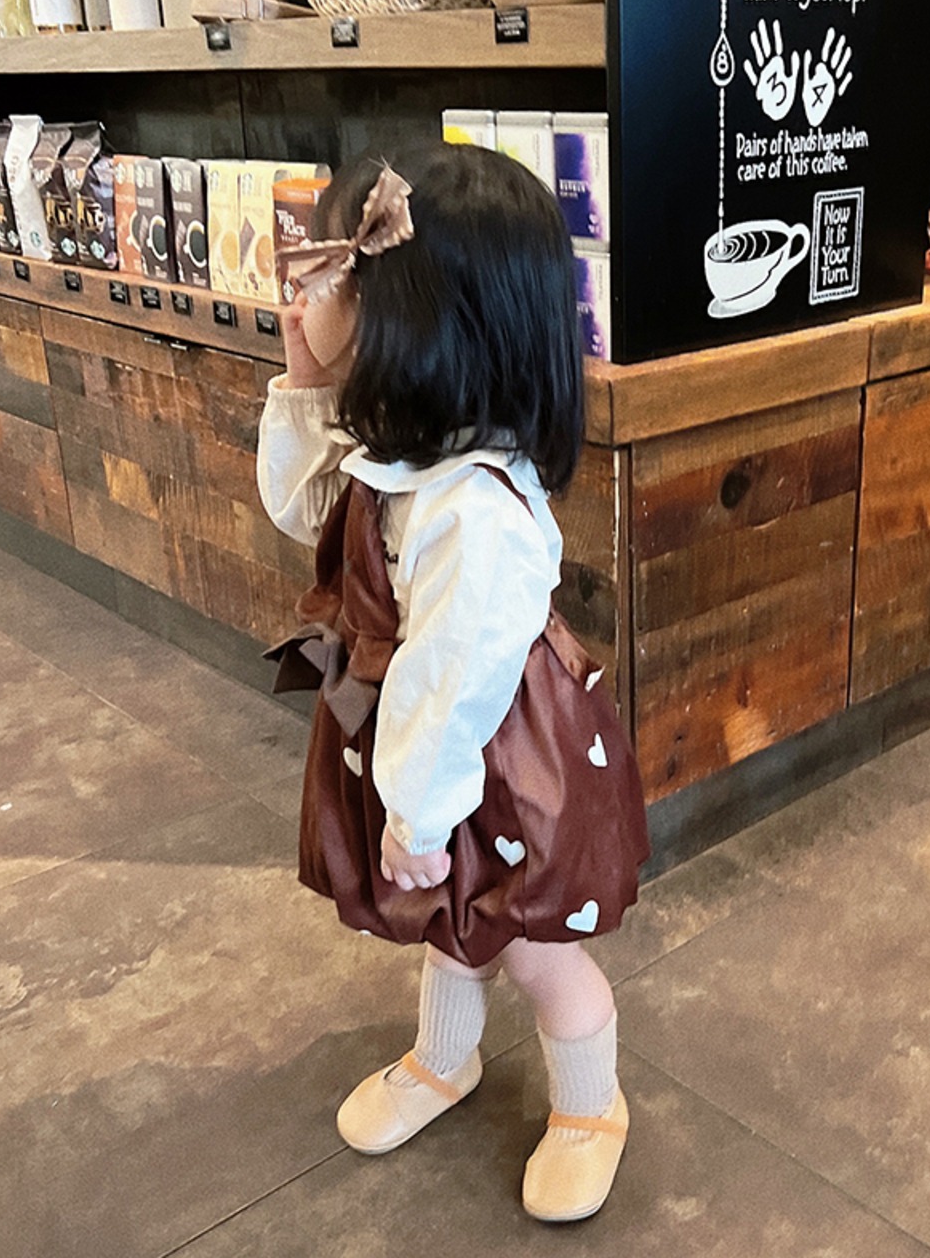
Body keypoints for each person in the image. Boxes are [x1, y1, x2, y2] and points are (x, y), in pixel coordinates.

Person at [256, 142, 649, 1223]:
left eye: (327, 278)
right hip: (428, 748)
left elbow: (454, 681)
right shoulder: (401, 452)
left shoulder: (473, 513)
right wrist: (304, 380)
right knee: (447, 917)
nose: (299, 294)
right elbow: (305, 514)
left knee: (532, 946)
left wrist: (419, 816)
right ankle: (445, 1057)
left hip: (501, 764)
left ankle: (592, 1105)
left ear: (416, 321)